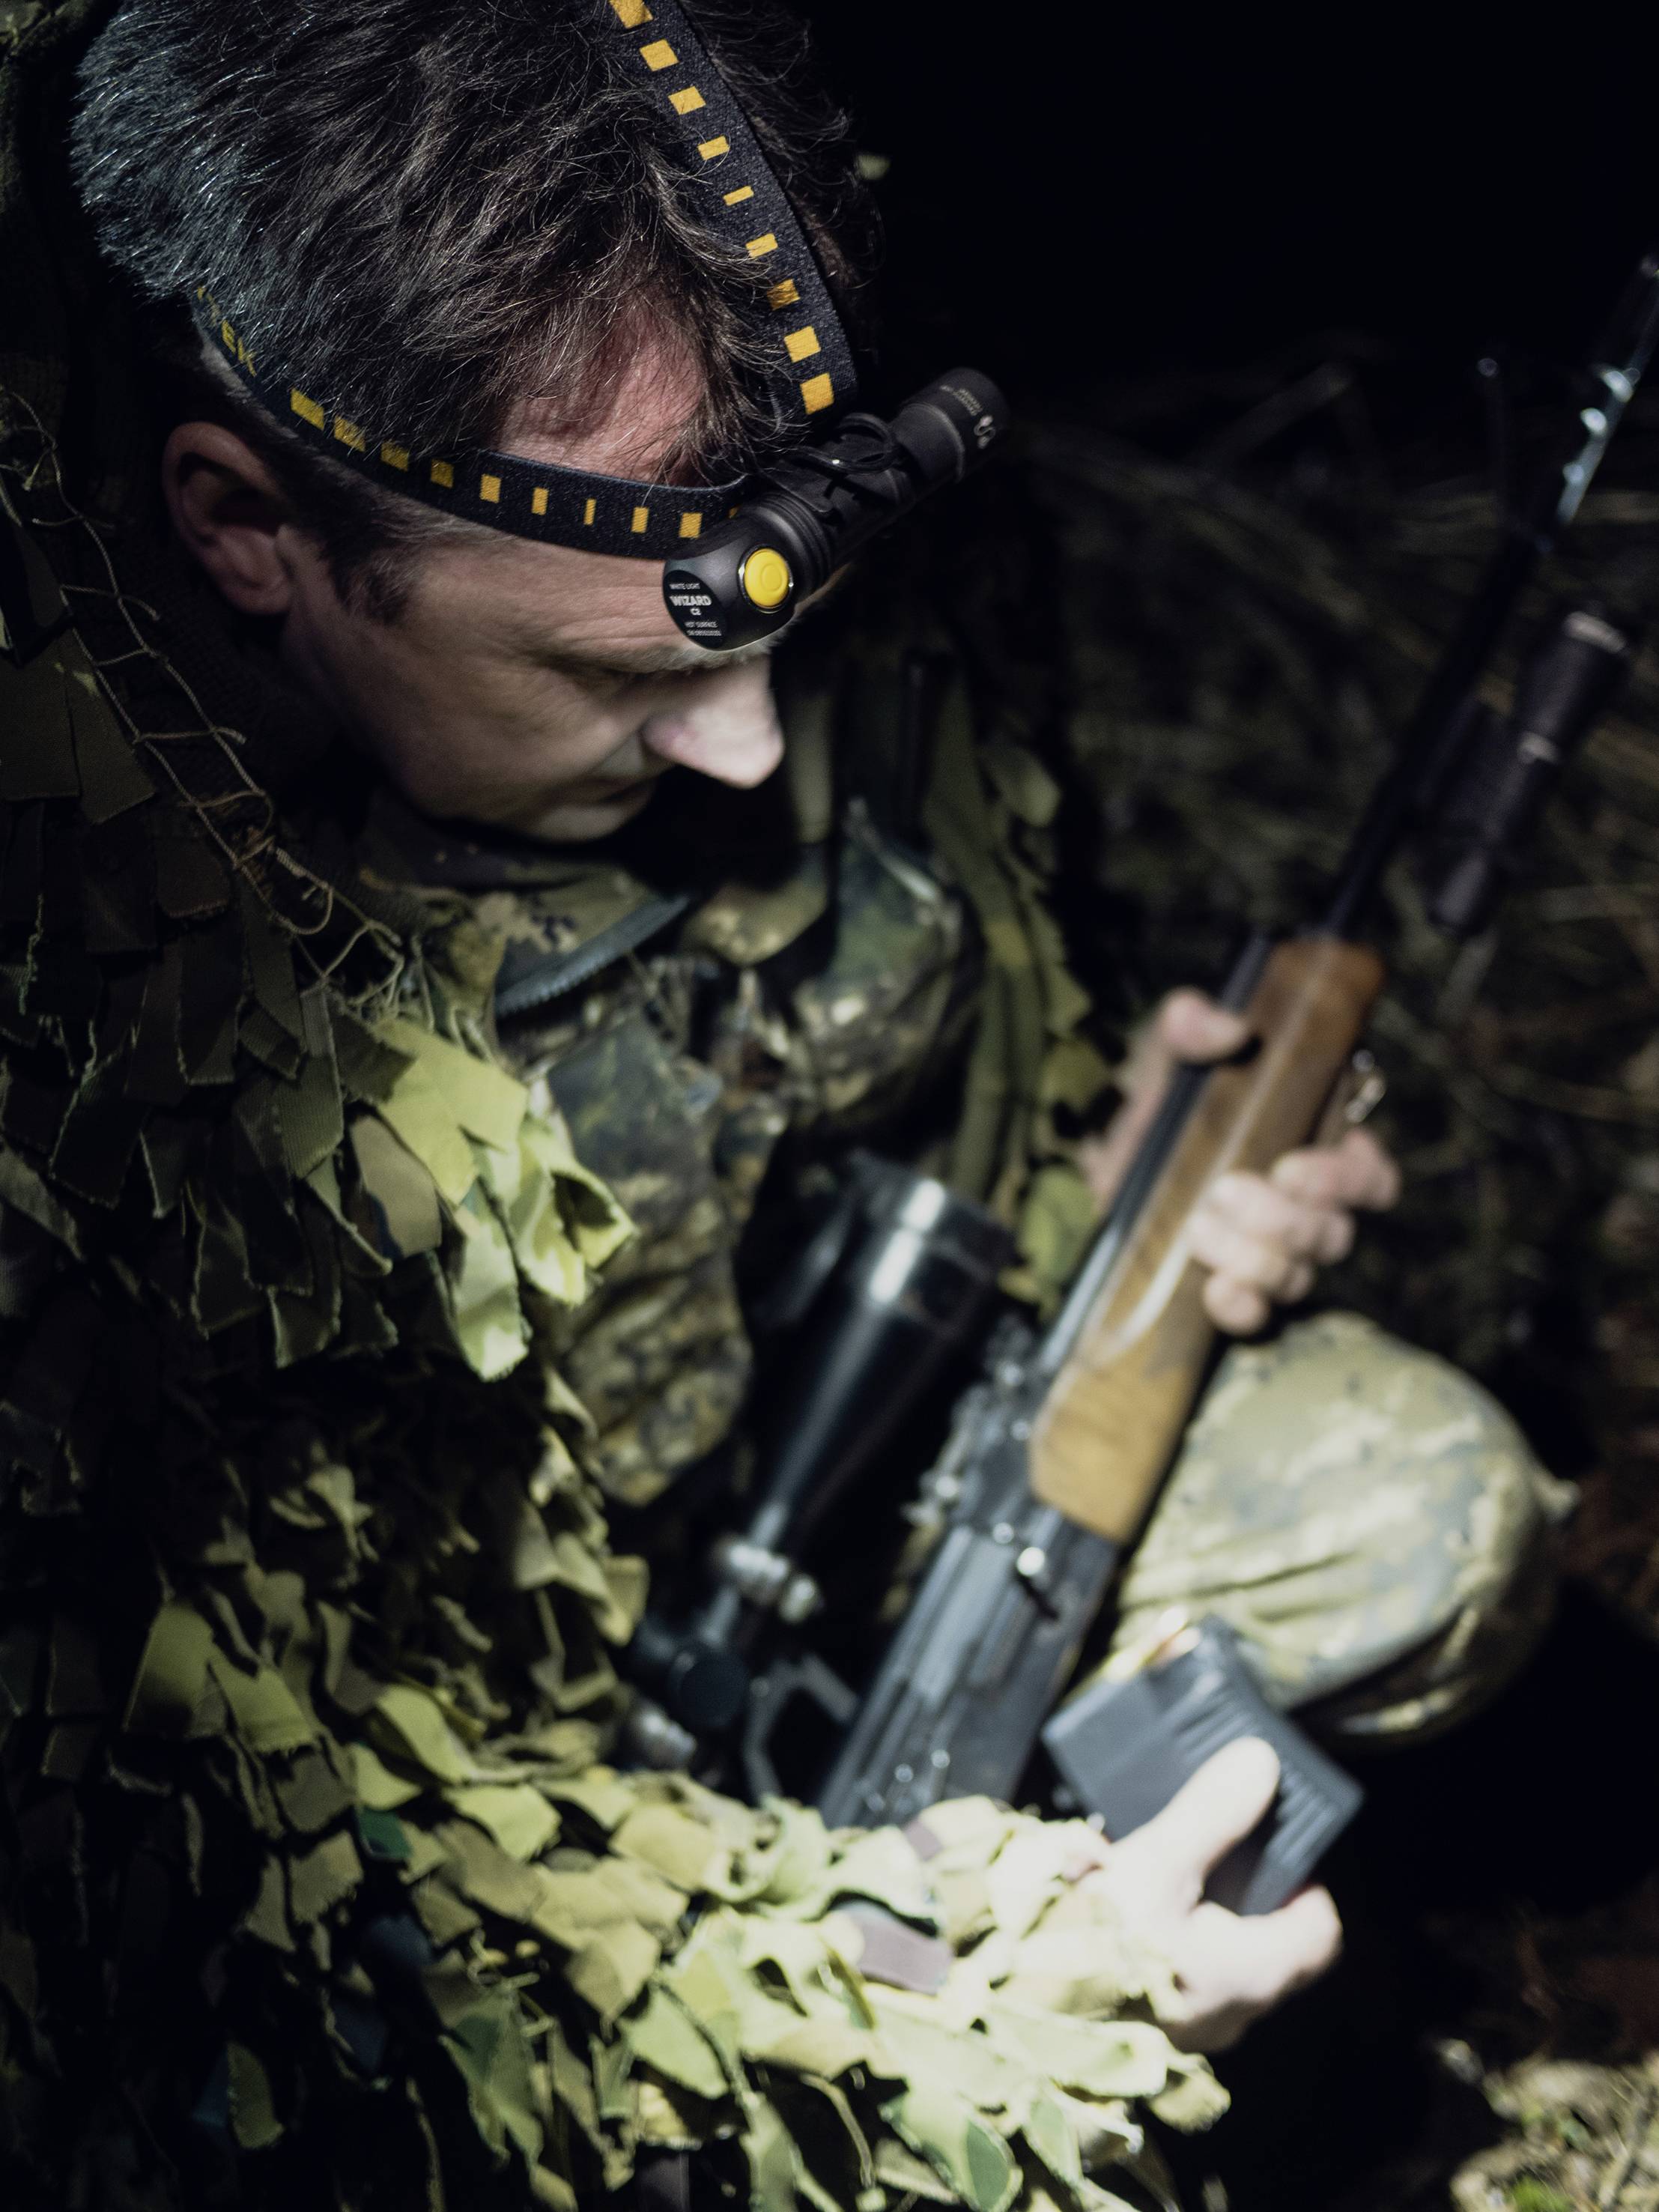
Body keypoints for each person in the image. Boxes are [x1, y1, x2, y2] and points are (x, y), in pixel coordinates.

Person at [0, 0, 1568, 2204]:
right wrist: (939, 2012)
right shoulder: (78, 1027)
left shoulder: (742, 477)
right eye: (629, 674)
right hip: (381, 1844)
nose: (754, 748)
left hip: (781, 1561)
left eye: (783, 629)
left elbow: (895, 1040)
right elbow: (259, 1884)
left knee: (1417, 1509)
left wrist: (1097, 1192)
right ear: (247, 532)